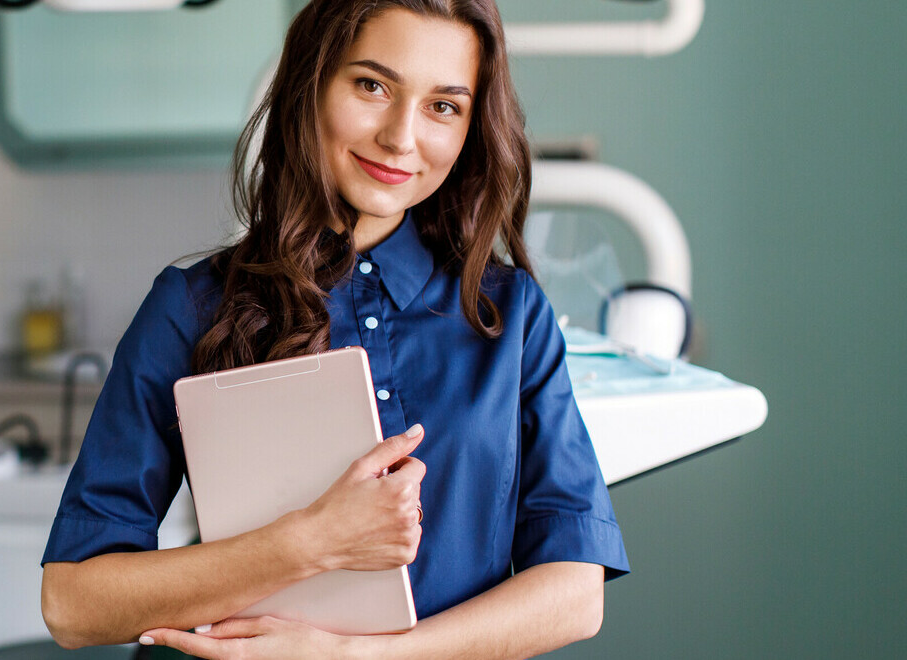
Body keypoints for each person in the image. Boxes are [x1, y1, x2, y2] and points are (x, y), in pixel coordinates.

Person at [40, 0, 630, 657]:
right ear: (311, 84)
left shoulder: (510, 315)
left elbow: (576, 595)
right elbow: (73, 605)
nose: (401, 138)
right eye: (372, 85)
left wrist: (357, 657)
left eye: (443, 106)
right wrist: (308, 541)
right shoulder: (190, 306)